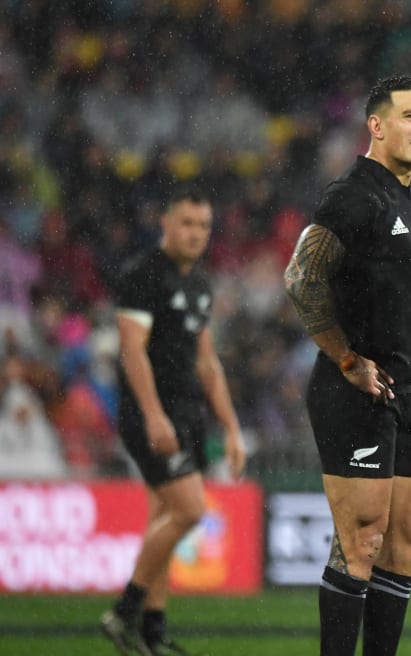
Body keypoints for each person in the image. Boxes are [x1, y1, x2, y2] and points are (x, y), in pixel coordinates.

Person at [283, 74, 411, 656]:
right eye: (410, 116)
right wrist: (347, 359)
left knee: (408, 542)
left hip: (405, 391)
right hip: (354, 389)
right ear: (376, 126)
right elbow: (301, 276)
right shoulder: (354, 193)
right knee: (363, 540)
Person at [100, 186, 246, 656]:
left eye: (203, 226)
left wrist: (231, 428)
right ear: (165, 223)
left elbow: (207, 364)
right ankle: (123, 612)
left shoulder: (199, 284)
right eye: (186, 223)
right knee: (189, 509)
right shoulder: (143, 275)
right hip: (151, 415)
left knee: (164, 518)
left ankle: (152, 631)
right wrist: (153, 415)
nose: (196, 233)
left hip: (186, 414)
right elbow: (131, 351)